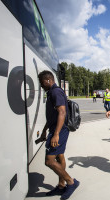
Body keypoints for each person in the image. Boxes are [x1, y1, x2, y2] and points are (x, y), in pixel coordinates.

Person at [38, 70, 79, 199]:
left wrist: (55, 134)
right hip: (55, 129)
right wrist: (45, 130)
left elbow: (62, 112)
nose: (41, 85)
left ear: (48, 80)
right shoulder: (52, 93)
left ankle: (71, 182)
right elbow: (53, 116)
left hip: (59, 131)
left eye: (42, 82)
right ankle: (61, 186)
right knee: (59, 157)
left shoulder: (56, 92)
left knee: (49, 161)